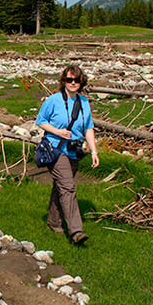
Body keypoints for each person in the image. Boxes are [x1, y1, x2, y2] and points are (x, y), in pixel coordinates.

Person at [34, 64, 99, 244]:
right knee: (68, 187)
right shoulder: (53, 100)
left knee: (61, 186)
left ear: (81, 82)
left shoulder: (84, 102)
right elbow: (40, 121)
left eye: (76, 80)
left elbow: (88, 128)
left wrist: (94, 150)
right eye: (69, 80)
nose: (72, 83)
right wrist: (57, 131)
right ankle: (76, 231)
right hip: (55, 150)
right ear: (64, 81)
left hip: (74, 151)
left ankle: (54, 222)